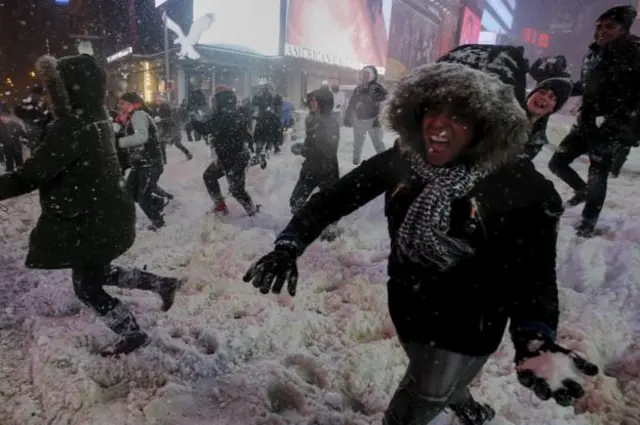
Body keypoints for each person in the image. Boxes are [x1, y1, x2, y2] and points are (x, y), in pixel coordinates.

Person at [243, 59, 598, 425]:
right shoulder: (406, 160)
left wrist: (535, 335)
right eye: (431, 110)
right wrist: (290, 243)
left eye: (460, 116)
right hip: (409, 304)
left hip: (469, 323)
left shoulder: (522, 187)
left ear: (487, 127)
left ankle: (445, 397)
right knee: (427, 370)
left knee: (409, 410)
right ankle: (461, 401)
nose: (438, 124)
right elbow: (336, 197)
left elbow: (533, 273)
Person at [0, 53, 180, 357]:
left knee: (87, 287)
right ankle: (161, 284)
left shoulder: (71, 126)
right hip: (106, 211)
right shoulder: (99, 118)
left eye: (53, 87)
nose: (48, 94)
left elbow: (30, 175)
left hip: (91, 218)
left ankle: (132, 333)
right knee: (97, 272)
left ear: (67, 89)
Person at [549, 5, 640, 237]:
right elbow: (587, 87)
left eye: (610, 26)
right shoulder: (593, 53)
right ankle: (581, 190)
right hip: (586, 123)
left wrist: (619, 122)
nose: (601, 31)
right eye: (599, 26)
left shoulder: (634, 51)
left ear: (623, 29)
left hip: (611, 128)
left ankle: (588, 222)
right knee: (557, 163)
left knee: (598, 174)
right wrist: (561, 87)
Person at [192, 85, 259, 216]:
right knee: (210, 177)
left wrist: (193, 120)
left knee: (236, 190)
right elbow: (247, 133)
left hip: (233, 158)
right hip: (231, 156)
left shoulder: (223, 115)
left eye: (214, 100)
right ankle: (221, 206)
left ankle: (252, 212)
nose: (213, 104)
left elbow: (205, 129)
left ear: (220, 100)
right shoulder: (237, 113)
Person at [290, 87, 340, 241]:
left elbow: (328, 149)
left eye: (314, 101)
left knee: (330, 204)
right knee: (296, 200)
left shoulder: (330, 123)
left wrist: (303, 150)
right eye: (310, 101)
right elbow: (312, 142)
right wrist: (303, 147)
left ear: (323, 103)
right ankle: (306, 226)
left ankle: (330, 230)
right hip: (311, 167)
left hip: (327, 168)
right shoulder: (311, 119)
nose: (310, 103)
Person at [117, 92, 167, 230]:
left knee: (142, 197)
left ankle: (159, 223)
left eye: (123, 103)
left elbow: (141, 137)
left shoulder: (139, 115)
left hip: (149, 163)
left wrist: (118, 142)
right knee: (129, 192)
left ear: (131, 103)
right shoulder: (134, 116)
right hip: (141, 163)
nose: (120, 106)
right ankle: (158, 202)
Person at [344, 65, 388, 165]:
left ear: (372, 76)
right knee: (357, 144)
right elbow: (351, 104)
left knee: (378, 144)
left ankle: (386, 163)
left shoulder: (377, 87)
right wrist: (347, 116)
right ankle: (355, 163)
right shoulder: (358, 89)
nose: (365, 76)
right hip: (358, 120)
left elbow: (385, 97)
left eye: (367, 74)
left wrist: (372, 99)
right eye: (363, 74)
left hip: (373, 120)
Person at [522, 78, 573, 160]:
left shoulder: (537, 141)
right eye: (542, 92)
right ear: (530, 95)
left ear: (553, 109)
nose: (544, 98)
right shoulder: (503, 113)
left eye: (552, 97)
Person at [252, 83, 283, 154]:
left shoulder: (272, 98)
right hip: (265, 120)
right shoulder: (264, 98)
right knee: (268, 136)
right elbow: (254, 102)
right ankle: (266, 150)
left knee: (267, 136)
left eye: (266, 89)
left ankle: (266, 150)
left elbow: (254, 102)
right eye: (265, 89)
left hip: (267, 120)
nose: (265, 90)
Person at [0, 102, 26, 172]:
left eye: (6, 116)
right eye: (2, 117)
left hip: (16, 146)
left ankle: (21, 174)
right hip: (6, 147)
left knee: (20, 164)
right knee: (9, 165)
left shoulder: (15, 124)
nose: (4, 118)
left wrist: (24, 139)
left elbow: (23, 134)